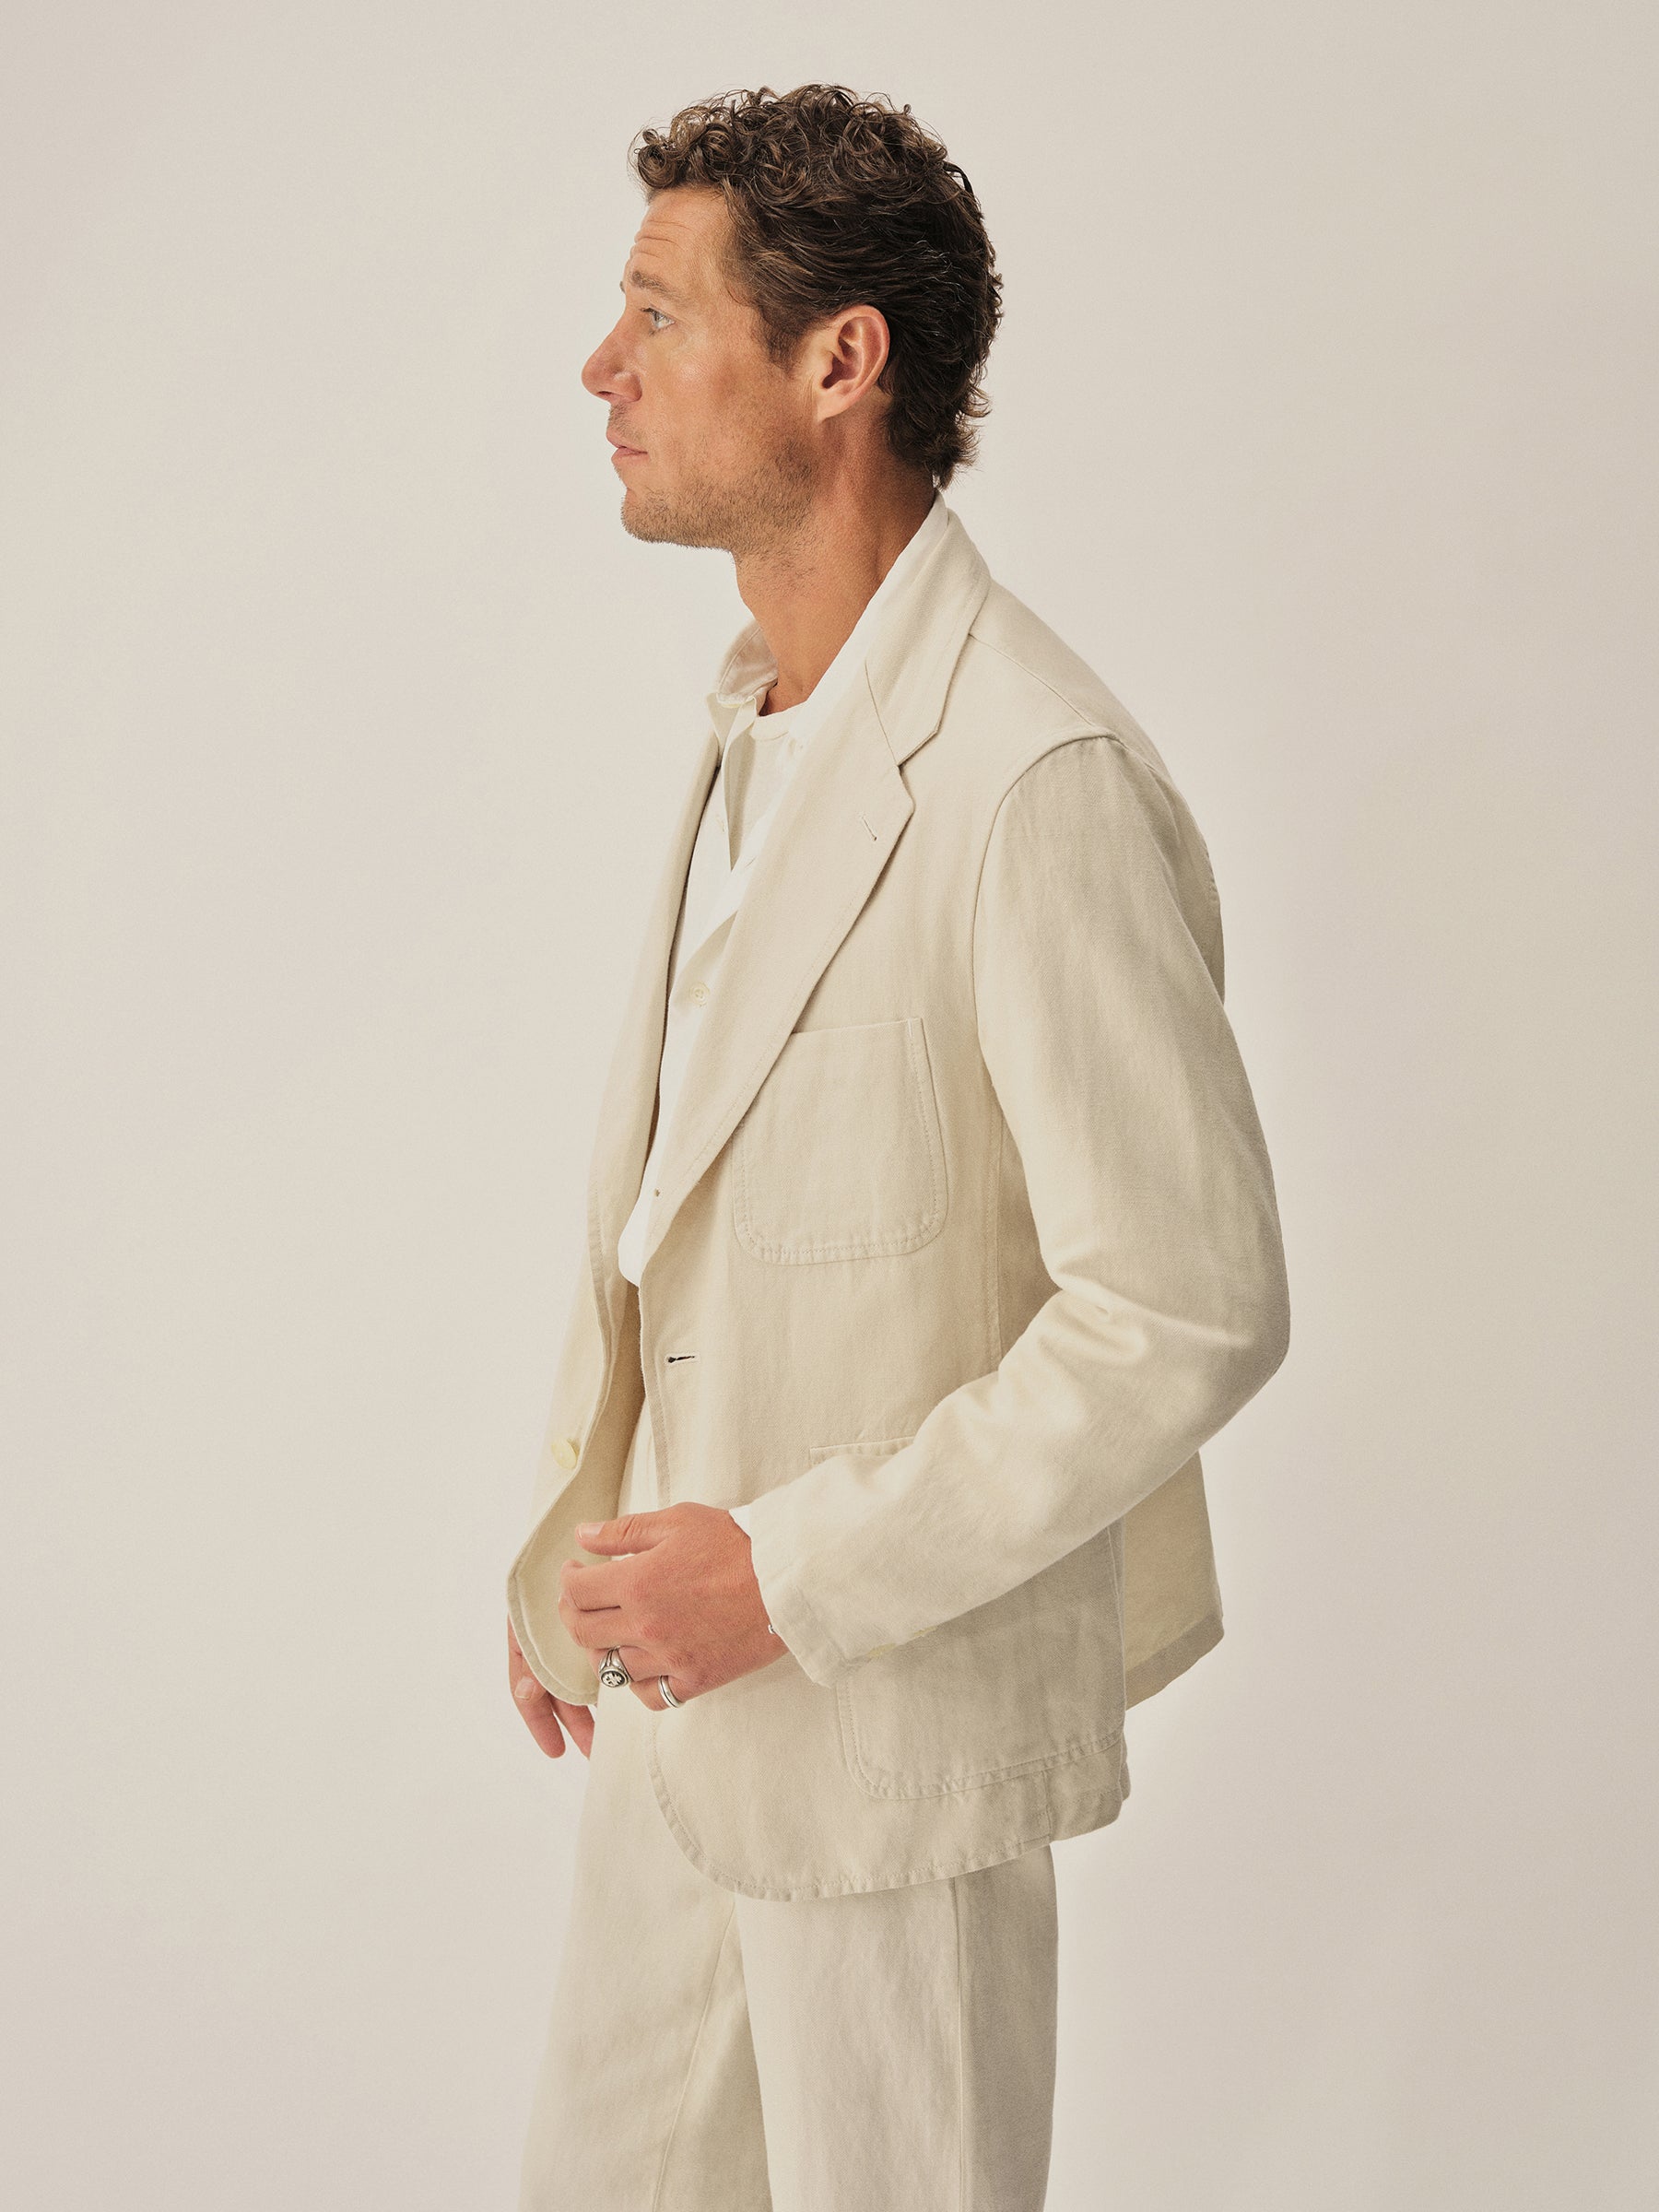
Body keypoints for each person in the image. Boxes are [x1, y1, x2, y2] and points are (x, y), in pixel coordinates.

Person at [505, 81, 1289, 2212]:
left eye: (659, 316)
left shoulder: (1032, 774)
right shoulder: (746, 727)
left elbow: (1186, 1307)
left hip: (892, 1746)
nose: (601, 370)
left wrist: (786, 1574)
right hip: (678, 1725)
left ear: (839, 362)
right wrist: (592, 1531)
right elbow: (706, 1204)